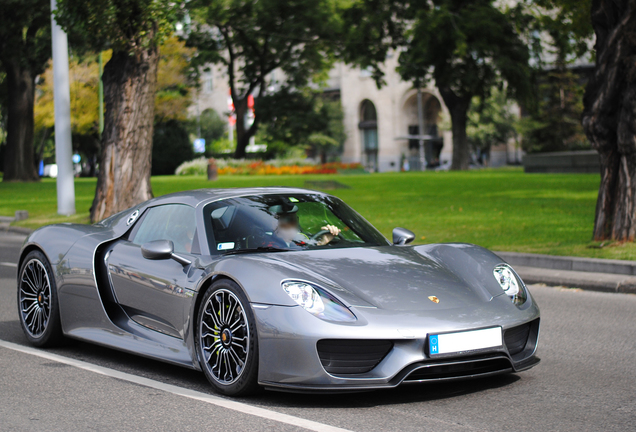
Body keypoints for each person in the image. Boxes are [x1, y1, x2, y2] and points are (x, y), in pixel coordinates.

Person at [267, 202, 340, 248]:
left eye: (294, 219)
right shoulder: (267, 245)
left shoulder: (302, 241)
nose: (291, 224)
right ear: (273, 223)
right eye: (285, 220)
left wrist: (323, 241)